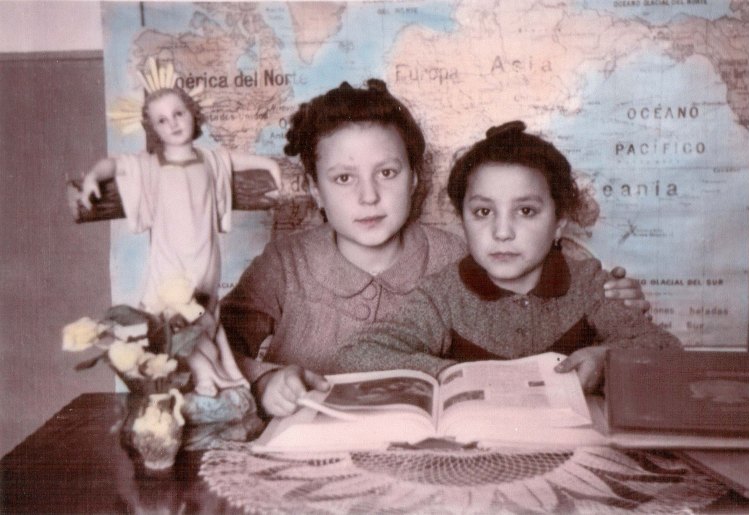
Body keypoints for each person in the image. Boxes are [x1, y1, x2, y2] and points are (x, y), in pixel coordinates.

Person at [219, 81, 649, 417]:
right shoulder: (284, 263)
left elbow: (538, 285)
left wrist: (612, 298)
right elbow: (209, 346)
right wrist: (263, 380)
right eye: (344, 178)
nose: (369, 197)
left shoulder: (460, 257)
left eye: (387, 172)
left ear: (414, 178)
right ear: (315, 188)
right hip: (303, 444)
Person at [335, 121, 681, 392]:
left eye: (526, 211)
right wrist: (450, 373)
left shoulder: (590, 285)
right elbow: (359, 354)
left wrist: (606, 359)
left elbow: (666, 350)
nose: (502, 232)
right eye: (483, 212)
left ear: (559, 222)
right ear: (463, 220)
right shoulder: (443, 295)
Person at [77, 86, 282, 396]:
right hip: (169, 262)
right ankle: (206, 376)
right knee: (175, 317)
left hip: (204, 260)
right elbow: (115, 165)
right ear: (152, 128)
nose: (172, 123)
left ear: (193, 114)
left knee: (204, 317)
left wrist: (270, 165)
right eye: (162, 120)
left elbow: (235, 160)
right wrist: (93, 176)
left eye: (178, 113)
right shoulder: (150, 165)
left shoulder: (209, 160)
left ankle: (216, 375)